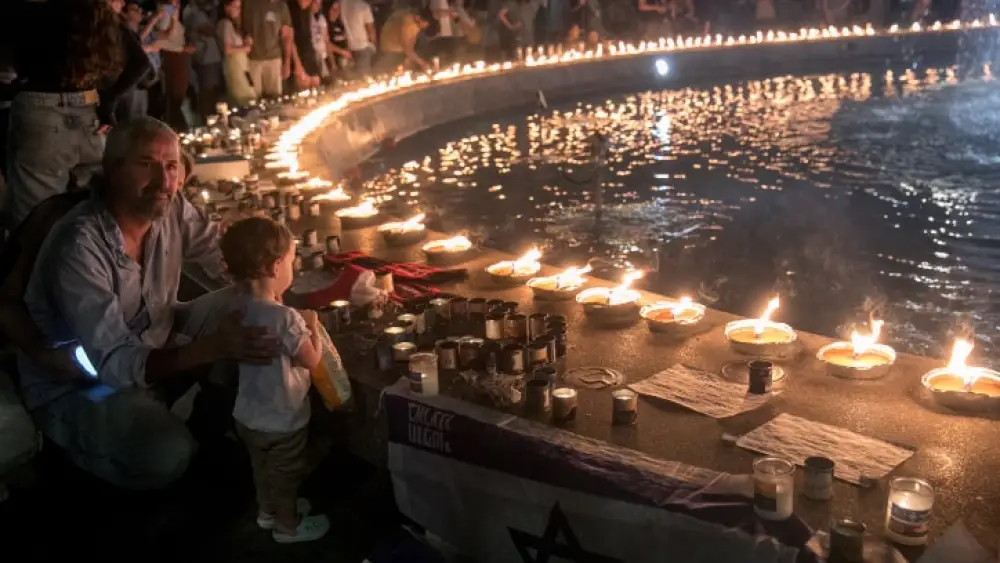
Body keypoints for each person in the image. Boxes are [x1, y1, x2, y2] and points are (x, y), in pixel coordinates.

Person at [18, 117, 280, 490]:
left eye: (171, 166)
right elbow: (113, 363)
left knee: (256, 301)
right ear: (111, 170)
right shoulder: (80, 247)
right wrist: (209, 349)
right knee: (166, 454)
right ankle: (80, 453)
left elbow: (221, 255)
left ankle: (220, 416)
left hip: (153, 346)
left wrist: (267, 260)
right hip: (80, 382)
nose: (163, 182)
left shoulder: (169, 207)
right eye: (146, 165)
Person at [220, 217, 330, 542]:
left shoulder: (237, 309)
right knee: (286, 474)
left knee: (262, 467)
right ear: (275, 266)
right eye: (292, 261)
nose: (293, 269)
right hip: (283, 418)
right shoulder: (286, 318)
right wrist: (314, 328)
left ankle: (266, 512)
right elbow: (311, 360)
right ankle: (288, 525)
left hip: (248, 416)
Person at [0, 0, 149, 232]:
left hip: (38, 113)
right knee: (93, 215)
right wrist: (107, 102)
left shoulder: (21, 10)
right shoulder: (92, 9)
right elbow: (140, 62)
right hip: (87, 112)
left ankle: (42, 266)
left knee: (36, 219)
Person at [154, 0, 197, 130]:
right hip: (173, 57)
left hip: (179, 56)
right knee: (176, 93)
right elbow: (162, 40)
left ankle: (180, 125)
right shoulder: (165, 12)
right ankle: (177, 127)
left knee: (180, 92)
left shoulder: (173, 11)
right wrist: (182, 49)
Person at [242, 0, 296, 98]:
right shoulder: (249, 3)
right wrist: (245, 37)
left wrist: (287, 62)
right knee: (253, 98)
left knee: (275, 98)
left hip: (274, 58)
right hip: (252, 59)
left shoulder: (281, 6)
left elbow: (288, 35)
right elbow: (240, 25)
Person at [184, 0, 224, 121]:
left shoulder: (208, 10)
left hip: (213, 56)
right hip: (205, 58)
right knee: (207, 90)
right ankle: (208, 119)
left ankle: (214, 117)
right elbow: (207, 30)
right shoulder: (192, 12)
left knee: (214, 90)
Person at [218, 0, 258, 106]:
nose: (238, 10)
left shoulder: (234, 24)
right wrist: (245, 48)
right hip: (234, 67)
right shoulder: (225, 24)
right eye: (235, 7)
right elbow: (227, 49)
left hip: (242, 66)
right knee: (243, 98)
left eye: (240, 7)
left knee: (250, 93)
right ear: (227, 8)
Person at [374, 8, 431, 74]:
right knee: (388, 72)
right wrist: (422, 63)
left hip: (400, 51)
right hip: (391, 50)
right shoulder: (407, 22)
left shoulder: (416, 24)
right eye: (425, 23)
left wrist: (409, 57)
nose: (426, 25)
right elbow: (405, 45)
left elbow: (412, 40)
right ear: (418, 17)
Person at [339, 0, 377, 76]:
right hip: (364, 46)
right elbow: (370, 29)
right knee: (365, 77)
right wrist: (374, 45)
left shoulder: (342, 4)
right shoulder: (364, 6)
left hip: (350, 47)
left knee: (355, 77)